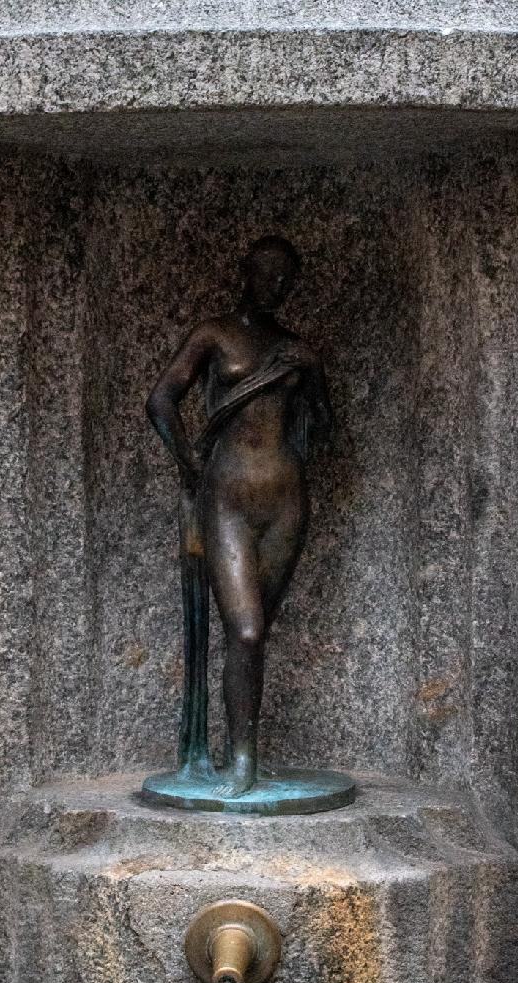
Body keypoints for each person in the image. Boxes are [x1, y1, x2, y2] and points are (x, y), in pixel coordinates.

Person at [145, 235, 333, 796]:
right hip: (226, 495)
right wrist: (187, 460)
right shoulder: (215, 333)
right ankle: (242, 761)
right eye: (267, 274)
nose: (276, 287)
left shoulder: (295, 347)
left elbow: (323, 435)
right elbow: (161, 399)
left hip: (286, 499)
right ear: (245, 273)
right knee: (246, 630)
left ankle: (243, 748)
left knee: (256, 633)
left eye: (286, 279)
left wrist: (317, 373)